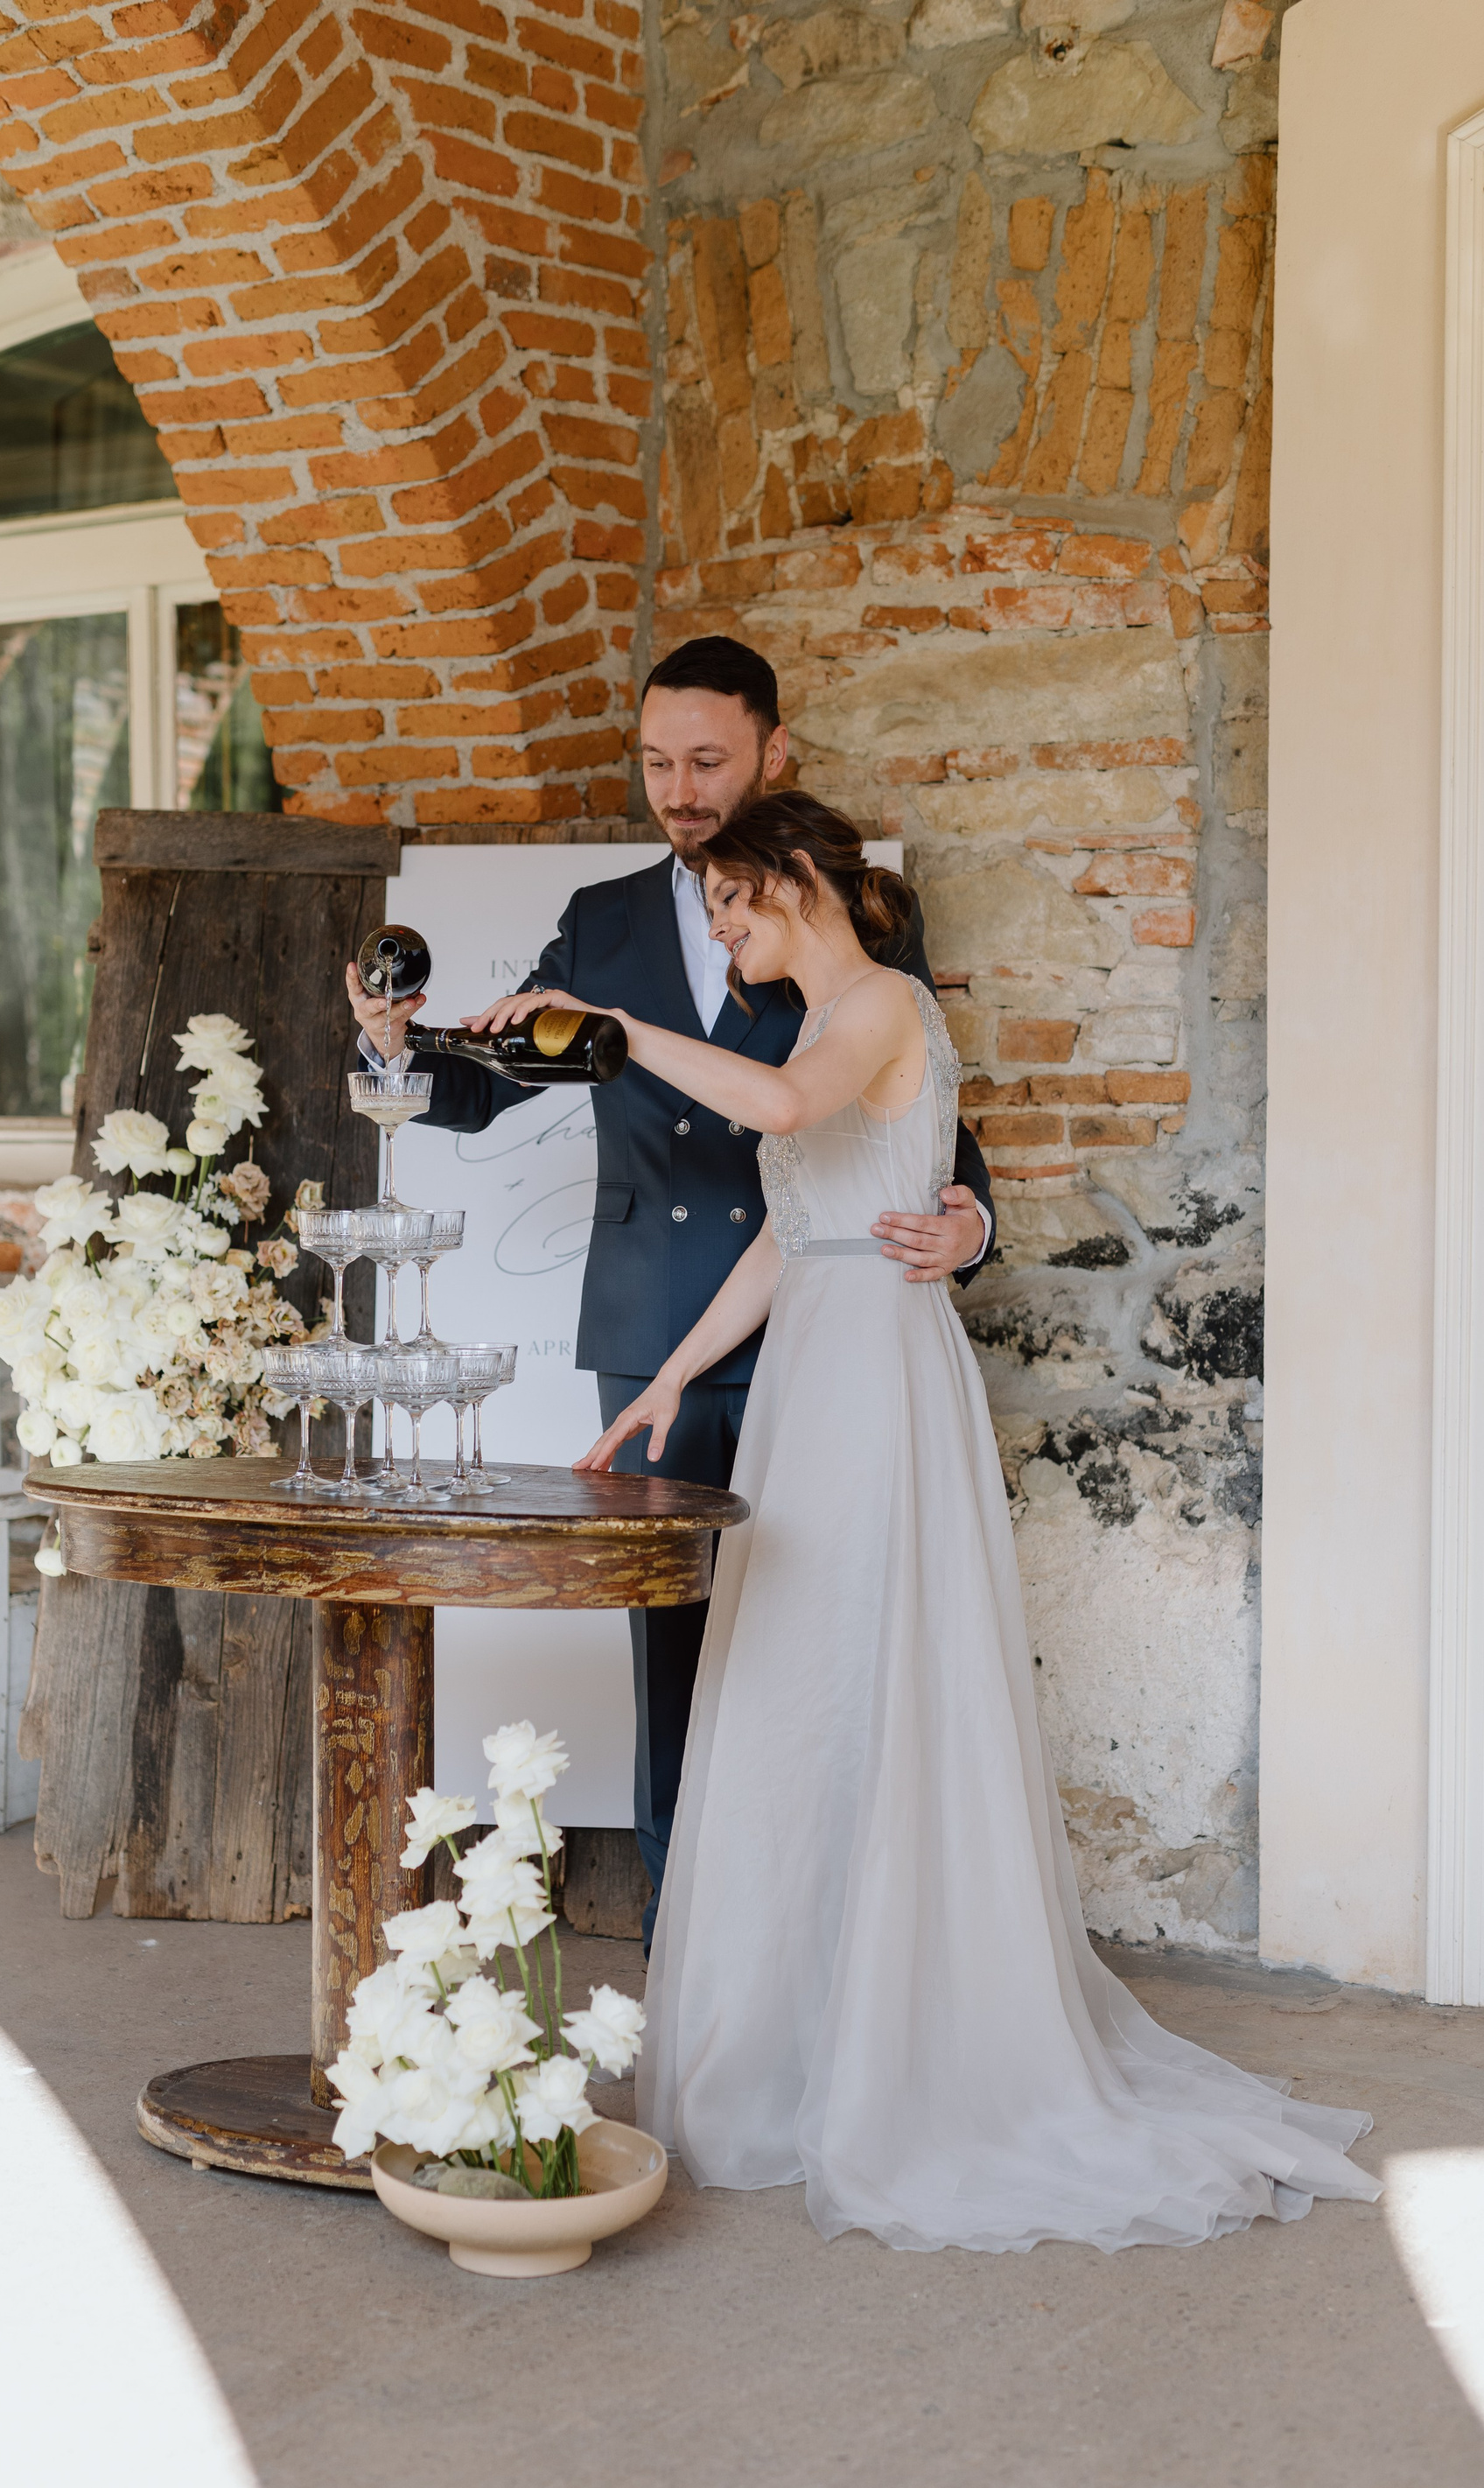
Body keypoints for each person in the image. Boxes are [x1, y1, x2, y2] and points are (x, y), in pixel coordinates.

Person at [480, 789, 1379, 2255]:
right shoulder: (811, 1023)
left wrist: (618, 1028)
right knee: (797, 1692)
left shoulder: (881, 1005)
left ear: (794, 880)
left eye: (733, 902)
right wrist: (677, 1379)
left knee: (872, 1681)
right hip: (813, 1371)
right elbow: (795, 1231)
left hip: (880, 1384)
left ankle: (903, 2049)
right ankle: (797, 2041)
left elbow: (784, 1119)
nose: (722, 931)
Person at [347, 635, 996, 1947]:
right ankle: (684, 1935)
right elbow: (498, 1080)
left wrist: (971, 1220)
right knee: (676, 1645)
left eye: (707, 761)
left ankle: (847, 1931)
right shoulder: (603, 919)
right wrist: (394, 1049)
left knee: (833, 1632)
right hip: (659, 1330)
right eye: (657, 764)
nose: (680, 791)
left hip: (829, 1316)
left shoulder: (846, 917)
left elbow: (909, 1104)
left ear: (775, 752)